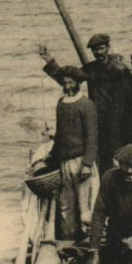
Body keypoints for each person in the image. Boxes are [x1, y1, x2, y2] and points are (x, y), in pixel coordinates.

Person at [40, 33, 130, 172]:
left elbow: (128, 98)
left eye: (101, 48)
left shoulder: (120, 69)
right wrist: (49, 60)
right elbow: (67, 79)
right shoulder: (91, 69)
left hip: (115, 122)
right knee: (97, 156)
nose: (98, 53)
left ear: (108, 48)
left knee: (114, 158)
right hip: (95, 119)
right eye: (95, 50)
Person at [48, 66, 99, 241]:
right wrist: (52, 156)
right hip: (65, 162)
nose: (68, 86)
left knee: (85, 205)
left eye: (71, 83)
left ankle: (90, 241)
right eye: (65, 83)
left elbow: (92, 137)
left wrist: (87, 164)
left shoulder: (86, 105)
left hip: (81, 161)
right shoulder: (61, 103)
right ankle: (68, 240)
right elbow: (60, 134)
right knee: (65, 205)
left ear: (78, 83)